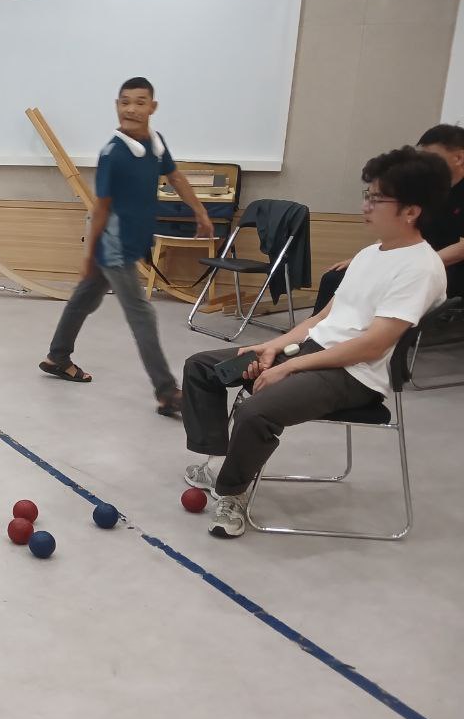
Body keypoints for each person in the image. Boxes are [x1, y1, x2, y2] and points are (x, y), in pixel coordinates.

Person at [181, 147, 448, 539]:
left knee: (257, 410)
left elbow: (372, 346)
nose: (366, 205)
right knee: (202, 367)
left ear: (411, 211)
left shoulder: (421, 269)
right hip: (312, 352)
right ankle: (225, 460)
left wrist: (287, 367)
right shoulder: (371, 253)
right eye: (367, 195)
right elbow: (323, 318)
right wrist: (274, 348)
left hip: (353, 373)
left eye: (377, 198)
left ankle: (232, 492)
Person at [39, 77, 215, 415]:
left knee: (83, 300)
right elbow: (101, 209)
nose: (131, 108)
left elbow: (175, 176)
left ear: (153, 107)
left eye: (139, 101)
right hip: (114, 246)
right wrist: (91, 256)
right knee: (142, 315)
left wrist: (200, 212)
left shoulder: (155, 143)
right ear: (117, 106)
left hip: (131, 242)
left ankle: (57, 357)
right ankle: (166, 393)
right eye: (124, 102)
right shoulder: (113, 153)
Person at [312, 123, 464, 313]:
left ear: (458, 157)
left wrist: (410, 262)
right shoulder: (427, 188)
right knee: (336, 277)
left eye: (431, 156)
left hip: (443, 268)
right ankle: (319, 331)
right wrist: (365, 258)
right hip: (409, 257)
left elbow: (461, 249)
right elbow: (397, 228)